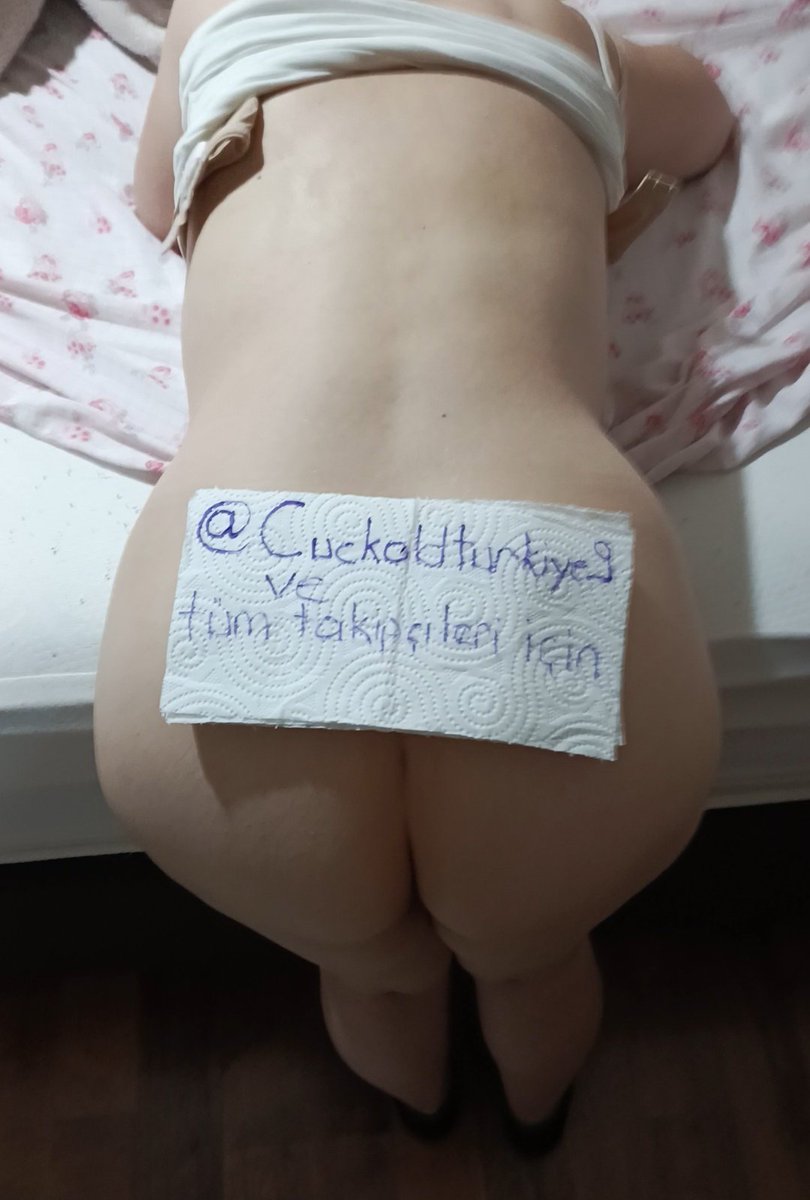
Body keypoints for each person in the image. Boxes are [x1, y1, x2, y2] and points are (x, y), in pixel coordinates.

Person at [94, 0, 733, 1152]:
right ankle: (534, 1118)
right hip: (537, 550)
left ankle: (418, 1097)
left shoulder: (211, 13)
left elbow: (155, 199)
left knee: (372, 967)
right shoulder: (560, 28)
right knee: (532, 957)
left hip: (246, 554)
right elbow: (707, 122)